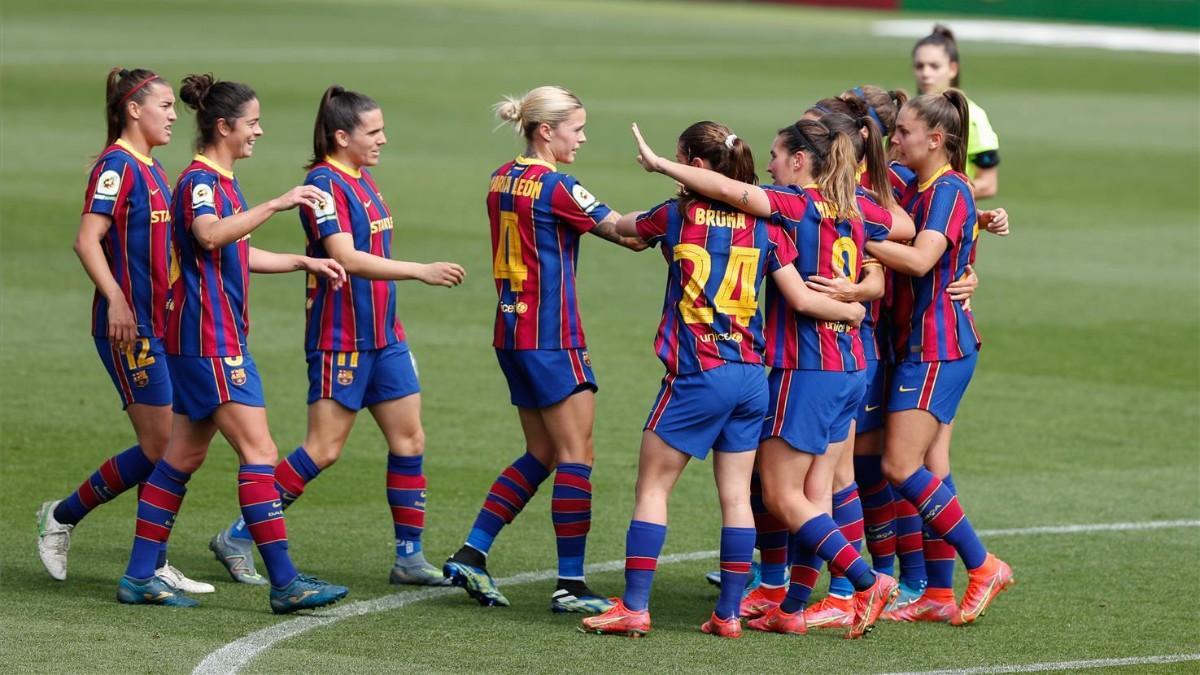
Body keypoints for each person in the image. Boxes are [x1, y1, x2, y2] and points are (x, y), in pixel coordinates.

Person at [581, 121, 866, 639]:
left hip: (697, 372)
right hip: (752, 377)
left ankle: (635, 607)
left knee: (653, 488)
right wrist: (850, 312)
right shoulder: (768, 227)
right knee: (736, 496)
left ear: (696, 165)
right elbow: (801, 298)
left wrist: (579, 209)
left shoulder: (675, 215)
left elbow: (624, 228)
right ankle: (729, 614)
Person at [209, 85, 465, 588]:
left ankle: (409, 558)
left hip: (384, 335)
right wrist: (419, 270)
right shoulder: (323, 185)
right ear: (341, 135)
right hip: (341, 336)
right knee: (323, 449)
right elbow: (344, 256)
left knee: (410, 438)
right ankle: (237, 535)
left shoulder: (363, 179)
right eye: (374, 132)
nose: (383, 140)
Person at [117, 73, 349, 612]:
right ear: (223, 126)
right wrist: (279, 202)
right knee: (260, 453)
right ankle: (286, 583)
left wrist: (301, 260)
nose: (259, 132)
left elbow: (232, 251)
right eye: (252, 123)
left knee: (182, 456)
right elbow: (209, 234)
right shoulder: (201, 181)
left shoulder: (221, 181)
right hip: (211, 341)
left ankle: (137, 576)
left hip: (201, 339)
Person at [443, 85, 645, 613]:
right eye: (576, 128)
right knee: (578, 455)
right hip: (553, 337)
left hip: (511, 333)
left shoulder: (500, 178)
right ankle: (571, 585)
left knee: (544, 451)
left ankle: (472, 551)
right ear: (545, 131)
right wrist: (682, 214)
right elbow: (624, 231)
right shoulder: (557, 186)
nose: (582, 138)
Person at [37, 67, 210, 595]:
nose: (174, 115)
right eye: (164, 106)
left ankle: (153, 562)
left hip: (164, 326)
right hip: (128, 329)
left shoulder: (154, 170)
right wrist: (115, 298)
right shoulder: (116, 167)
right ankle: (62, 515)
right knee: (162, 446)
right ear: (134, 109)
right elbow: (87, 240)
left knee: (174, 446)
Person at [864, 90, 1013, 626]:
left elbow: (925, 259)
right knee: (928, 467)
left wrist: (857, 236)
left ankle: (984, 565)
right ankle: (937, 594)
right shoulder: (928, 187)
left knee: (899, 466)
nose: (894, 139)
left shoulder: (948, 189)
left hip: (938, 346)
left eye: (903, 132)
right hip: (926, 345)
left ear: (937, 139)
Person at [912, 24, 1000, 199]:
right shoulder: (906, 113)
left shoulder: (972, 116)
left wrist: (939, 196)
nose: (926, 73)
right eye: (920, 66)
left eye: (934, 66)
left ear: (953, 69)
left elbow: (988, 184)